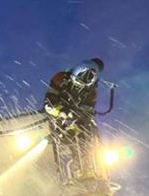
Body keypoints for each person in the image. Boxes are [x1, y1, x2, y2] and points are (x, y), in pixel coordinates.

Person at [41, 58, 106, 186]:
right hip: (55, 117)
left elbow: (87, 115)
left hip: (75, 122)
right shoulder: (60, 78)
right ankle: (51, 175)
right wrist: (61, 112)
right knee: (53, 136)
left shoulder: (91, 93)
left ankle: (84, 170)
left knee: (84, 137)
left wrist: (75, 119)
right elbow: (49, 103)